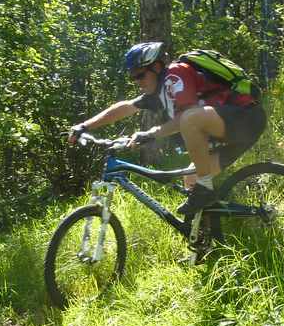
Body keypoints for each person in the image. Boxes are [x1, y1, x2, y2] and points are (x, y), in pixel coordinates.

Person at [68, 41, 267, 216]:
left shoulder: (175, 74)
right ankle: (202, 242)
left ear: (156, 67)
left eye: (140, 75)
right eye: (133, 78)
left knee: (190, 119)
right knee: (190, 177)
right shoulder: (159, 91)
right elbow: (125, 107)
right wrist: (85, 126)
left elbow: (185, 118)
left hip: (246, 118)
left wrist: (150, 134)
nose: (137, 82)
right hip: (232, 134)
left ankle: (205, 188)